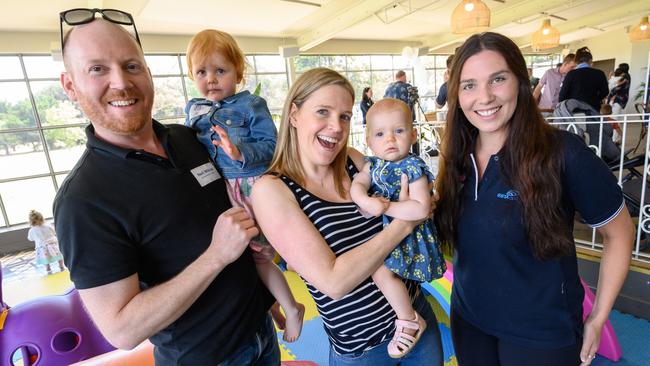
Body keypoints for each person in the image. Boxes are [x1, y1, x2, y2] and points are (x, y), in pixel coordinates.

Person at [54, 11, 278, 365]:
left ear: (147, 71)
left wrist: (268, 298)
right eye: (97, 69)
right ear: (70, 85)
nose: (121, 83)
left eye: (131, 66)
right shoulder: (83, 199)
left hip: (263, 334)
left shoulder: (189, 137)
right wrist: (216, 255)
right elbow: (122, 329)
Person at [435, 32, 634, 366]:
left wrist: (598, 317)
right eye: (469, 85)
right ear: (457, 93)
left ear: (521, 82)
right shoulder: (456, 155)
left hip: (541, 333)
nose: (483, 97)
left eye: (497, 79)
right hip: (470, 320)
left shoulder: (563, 153)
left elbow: (621, 232)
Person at [251, 68, 444, 366]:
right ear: (294, 114)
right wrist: (407, 222)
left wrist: (425, 194)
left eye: (344, 116)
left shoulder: (354, 161)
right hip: (363, 349)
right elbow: (334, 281)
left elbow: (407, 185)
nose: (336, 127)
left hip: (416, 314)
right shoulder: (272, 190)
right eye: (323, 112)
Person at [184, 28, 304, 342]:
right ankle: (272, 308)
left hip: (251, 186)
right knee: (240, 262)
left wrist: (240, 153)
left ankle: (292, 307)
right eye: (201, 72)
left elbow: (272, 146)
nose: (210, 79)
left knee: (259, 256)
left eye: (220, 71)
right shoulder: (194, 110)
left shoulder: (251, 105)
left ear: (239, 72)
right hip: (220, 192)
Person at [350, 98, 446, 358]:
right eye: (380, 134)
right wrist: (365, 200)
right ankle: (408, 316)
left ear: (413, 134)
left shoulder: (412, 167)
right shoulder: (374, 165)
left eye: (399, 131)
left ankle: (409, 321)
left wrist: (384, 207)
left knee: (381, 272)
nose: (390, 139)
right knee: (383, 273)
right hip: (390, 235)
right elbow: (357, 184)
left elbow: (420, 209)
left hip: (411, 237)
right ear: (369, 141)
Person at [559, 47, 609, 112]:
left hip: (574, 110)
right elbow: (605, 92)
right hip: (593, 110)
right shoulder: (599, 73)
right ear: (590, 60)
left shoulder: (571, 74)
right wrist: (595, 99)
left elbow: (562, 95)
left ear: (576, 62)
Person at [27, 209, 65, 275]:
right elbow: (54, 232)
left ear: (31, 222)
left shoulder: (32, 230)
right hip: (52, 244)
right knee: (59, 255)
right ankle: (61, 266)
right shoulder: (48, 225)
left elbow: (30, 238)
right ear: (42, 218)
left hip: (42, 246)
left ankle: (48, 268)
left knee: (45, 258)